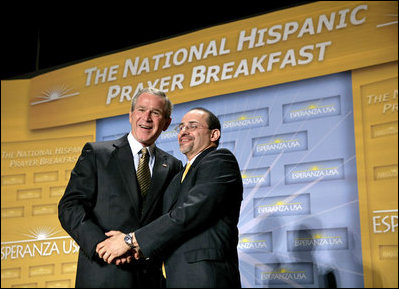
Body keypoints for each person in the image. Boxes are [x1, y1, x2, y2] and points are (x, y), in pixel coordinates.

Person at [96, 107, 243, 288]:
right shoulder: (177, 178)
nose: (184, 132)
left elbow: (189, 212)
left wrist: (130, 240)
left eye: (193, 126)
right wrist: (136, 248)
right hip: (174, 278)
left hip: (206, 278)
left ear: (214, 134)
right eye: (180, 127)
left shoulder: (220, 160)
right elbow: (167, 224)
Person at [58, 87, 182, 288]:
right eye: (141, 110)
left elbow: (172, 220)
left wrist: (135, 244)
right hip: (103, 274)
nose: (147, 118)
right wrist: (104, 246)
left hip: (149, 279)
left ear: (167, 123)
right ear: (131, 115)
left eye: (156, 113)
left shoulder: (173, 166)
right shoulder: (97, 154)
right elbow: (70, 207)